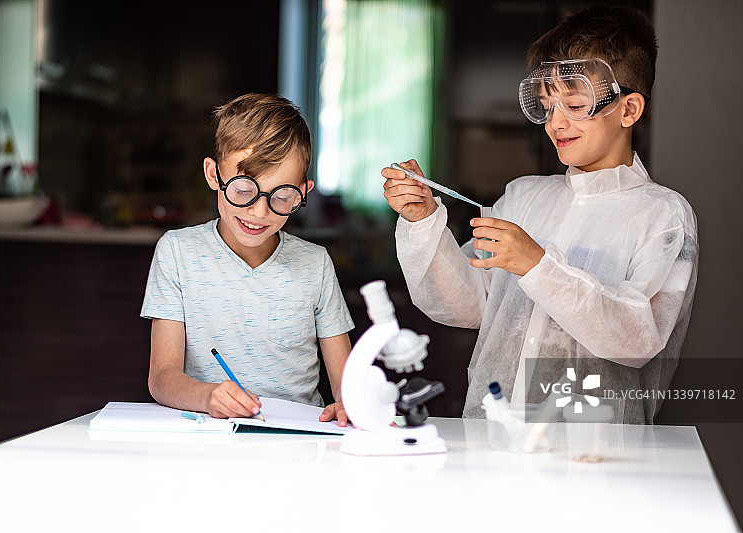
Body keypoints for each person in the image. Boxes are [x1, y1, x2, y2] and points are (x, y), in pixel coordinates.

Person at [382, 6, 698, 424]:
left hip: (596, 452)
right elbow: (466, 305)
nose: (556, 124)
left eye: (576, 104)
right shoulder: (524, 197)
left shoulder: (663, 215)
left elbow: (637, 340)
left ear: (629, 109)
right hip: (493, 435)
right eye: (548, 107)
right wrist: (423, 218)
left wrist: (536, 263)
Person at [142, 93, 354, 425]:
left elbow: (347, 384)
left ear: (304, 191)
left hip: (301, 441)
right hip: (212, 436)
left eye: (283, 197)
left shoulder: (316, 264)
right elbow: (162, 378)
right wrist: (208, 397)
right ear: (214, 175)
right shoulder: (178, 252)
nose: (259, 212)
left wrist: (351, 402)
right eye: (243, 190)